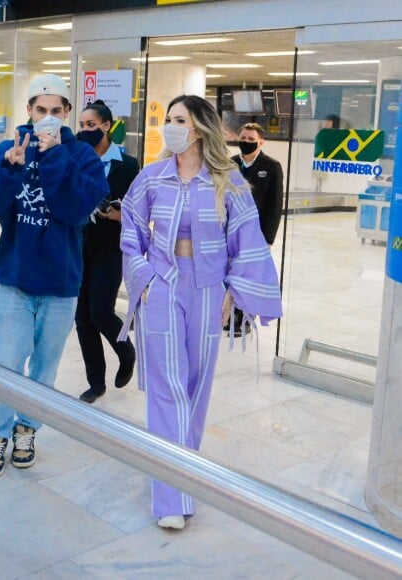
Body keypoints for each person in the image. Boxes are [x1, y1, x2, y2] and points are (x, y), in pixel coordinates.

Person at [119, 95, 282, 530]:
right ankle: (170, 496)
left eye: (179, 120)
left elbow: (248, 236)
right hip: (163, 282)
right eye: (167, 119)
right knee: (167, 384)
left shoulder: (228, 180)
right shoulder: (152, 178)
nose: (170, 126)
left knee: (196, 385)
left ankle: (181, 475)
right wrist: (144, 277)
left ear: (200, 128)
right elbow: (131, 230)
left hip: (209, 289)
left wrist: (234, 287)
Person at [0, 74, 109, 477]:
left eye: (56, 111)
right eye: (40, 110)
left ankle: (28, 426)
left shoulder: (81, 156)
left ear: (67, 114)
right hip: (15, 278)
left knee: (44, 367)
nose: (47, 118)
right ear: (28, 110)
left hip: (61, 284)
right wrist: (10, 168)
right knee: (8, 363)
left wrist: (56, 155)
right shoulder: (10, 148)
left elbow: (75, 210)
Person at [75, 100, 139, 403]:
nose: (85, 130)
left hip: (111, 247)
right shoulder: (76, 159)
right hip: (78, 245)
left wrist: (117, 213)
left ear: (106, 126)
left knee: (99, 310)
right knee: (81, 316)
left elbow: (139, 210)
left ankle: (125, 351)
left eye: (91, 125)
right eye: (82, 125)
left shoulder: (128, 165)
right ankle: (95, 381)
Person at [230, 122, 283, 337]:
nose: (246, 142)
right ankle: (230, 315)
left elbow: (275, 205)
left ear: (261, 142)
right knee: (232, 273)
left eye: (251, 140)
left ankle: (246, 319)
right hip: (232, 232)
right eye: (243, 138)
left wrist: (268, 238)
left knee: (250, 276)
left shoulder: (271, 167)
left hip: (256, 233)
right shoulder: (231, 164)